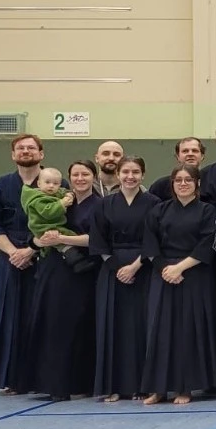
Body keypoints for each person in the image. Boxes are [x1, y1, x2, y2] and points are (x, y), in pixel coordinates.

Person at [140, 165, 216, 405]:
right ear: (172, 184)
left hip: (194, 275)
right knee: (160, 331)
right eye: (178, 180)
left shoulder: (208, 211)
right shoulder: (159, 211)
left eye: (188, 180)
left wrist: (180, 268)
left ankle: (184, 388)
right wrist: (166, 269)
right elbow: (150, 244)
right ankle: (158, 389)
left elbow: (209, 243)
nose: (183, 183)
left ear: (197, 183)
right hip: (163, 274)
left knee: (188, 331)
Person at [27, 160, 100, 402]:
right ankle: (53, 383)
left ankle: (80, 382)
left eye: (85, 174)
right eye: (75, 174)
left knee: (79, 326)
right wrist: (42, 241)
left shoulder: (100, 205)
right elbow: (36, 233)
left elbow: (98, 240)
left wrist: (63, 238)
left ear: (93, 176)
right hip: (54, 270)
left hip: (83, 271)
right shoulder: (54, 200)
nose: (80, 179)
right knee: (53, 325)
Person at [91, 156, 161, 401]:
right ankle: (115, 385)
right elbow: (98, 241)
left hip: (144, 268)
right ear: (118, 174)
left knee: (143, 326)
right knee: (114, 327)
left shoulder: (154, 203)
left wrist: (134, 266)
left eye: (135, 172)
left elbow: (155, 239)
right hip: (112, 271)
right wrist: (116, 267)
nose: (130, 176)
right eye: (126, 172)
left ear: (143, 175)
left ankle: (144, 385)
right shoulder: (103, 204)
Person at [0, 134, 45, 394]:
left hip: (43, 257)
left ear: (41, 153)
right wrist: (14, 253)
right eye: (20, 148)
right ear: (13, 154)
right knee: (8, 318)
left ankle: (40, 377)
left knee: (41, 317)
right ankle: (10, 378)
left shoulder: (54, 182)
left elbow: (60, 222)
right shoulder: (0, 186)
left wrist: (30, 250)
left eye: (31, 148)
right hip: (8, 259)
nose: (26, 151)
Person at [22, 168, 79, 252]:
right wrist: (62, 203)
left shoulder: (54, 192)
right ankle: (72, 254)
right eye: (47, 182)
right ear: (39, 183)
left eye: (55, 183)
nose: (51, 186)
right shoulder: (38, 199)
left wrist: (69, 194)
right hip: (42, 227)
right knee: (70, 236)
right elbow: (48, 212)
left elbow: (63, 191)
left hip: (54, 226)